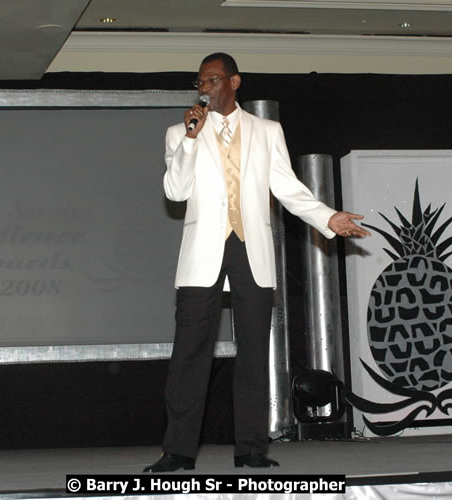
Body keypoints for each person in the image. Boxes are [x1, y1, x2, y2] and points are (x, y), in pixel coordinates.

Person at [144, 52, 370, 473]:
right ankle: (177, 450)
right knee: (190, 354)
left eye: (212, 80)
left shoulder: (267, 131)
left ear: (234, 81)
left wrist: (328, 217)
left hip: (252, 250)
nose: (204, 87)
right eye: (200, 82)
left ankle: (251, 448)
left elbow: (287, 187)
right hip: (201, 256)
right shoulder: (180, 133)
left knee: (253, 354)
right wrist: (191, 141)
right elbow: (175, 192)